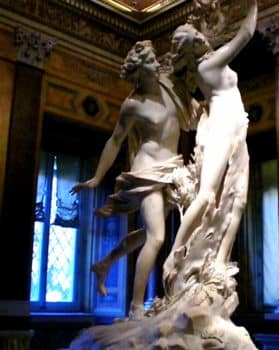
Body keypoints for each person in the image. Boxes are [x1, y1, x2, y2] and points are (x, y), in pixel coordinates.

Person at [71, 40, 199, 320]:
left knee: (147, 234)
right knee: (157, 237)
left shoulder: (168, 86)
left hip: (171, 170)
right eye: (150, 64)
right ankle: (136, 307)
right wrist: (97, 177)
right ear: (139, 73)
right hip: (146, 172)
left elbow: (191, 63)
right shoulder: (133, 105)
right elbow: (115, 141)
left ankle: (104, 264)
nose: (156, 66)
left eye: (155, 62)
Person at [164, 0, 257, 277]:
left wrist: (212, 13)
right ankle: (174, 253)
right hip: (220, 126)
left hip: (236, 126)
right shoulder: (208, 66)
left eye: (199, 34)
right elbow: (246, 34)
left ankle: (219, 262)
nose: (202, 37)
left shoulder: (208, 60)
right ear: (193, 48)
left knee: (238, 198)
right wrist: (253, 3)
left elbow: (217, 27)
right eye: (197, 37)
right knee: (206, 196)